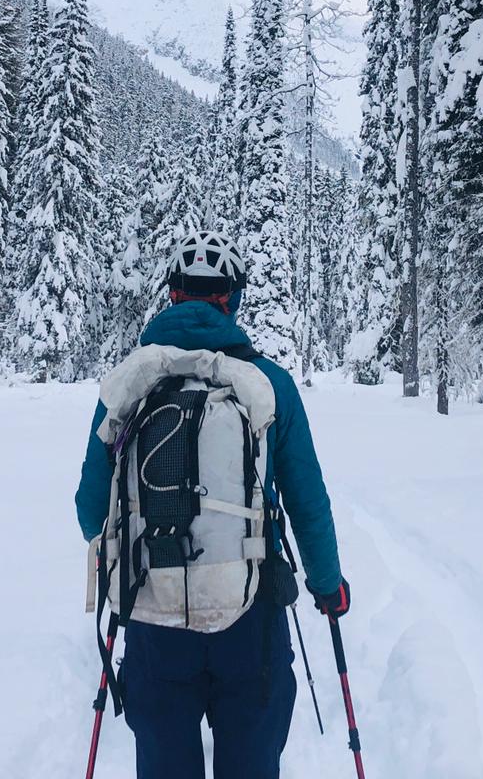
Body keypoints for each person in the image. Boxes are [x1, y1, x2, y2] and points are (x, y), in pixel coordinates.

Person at [75, 228, 350, 779]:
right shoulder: (268, 384)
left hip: (153, 616)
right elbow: (306, 499)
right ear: (234, 297)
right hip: (251, 620)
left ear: (172, 296)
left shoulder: (132, 385)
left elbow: (89, 512)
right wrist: (328, 585)